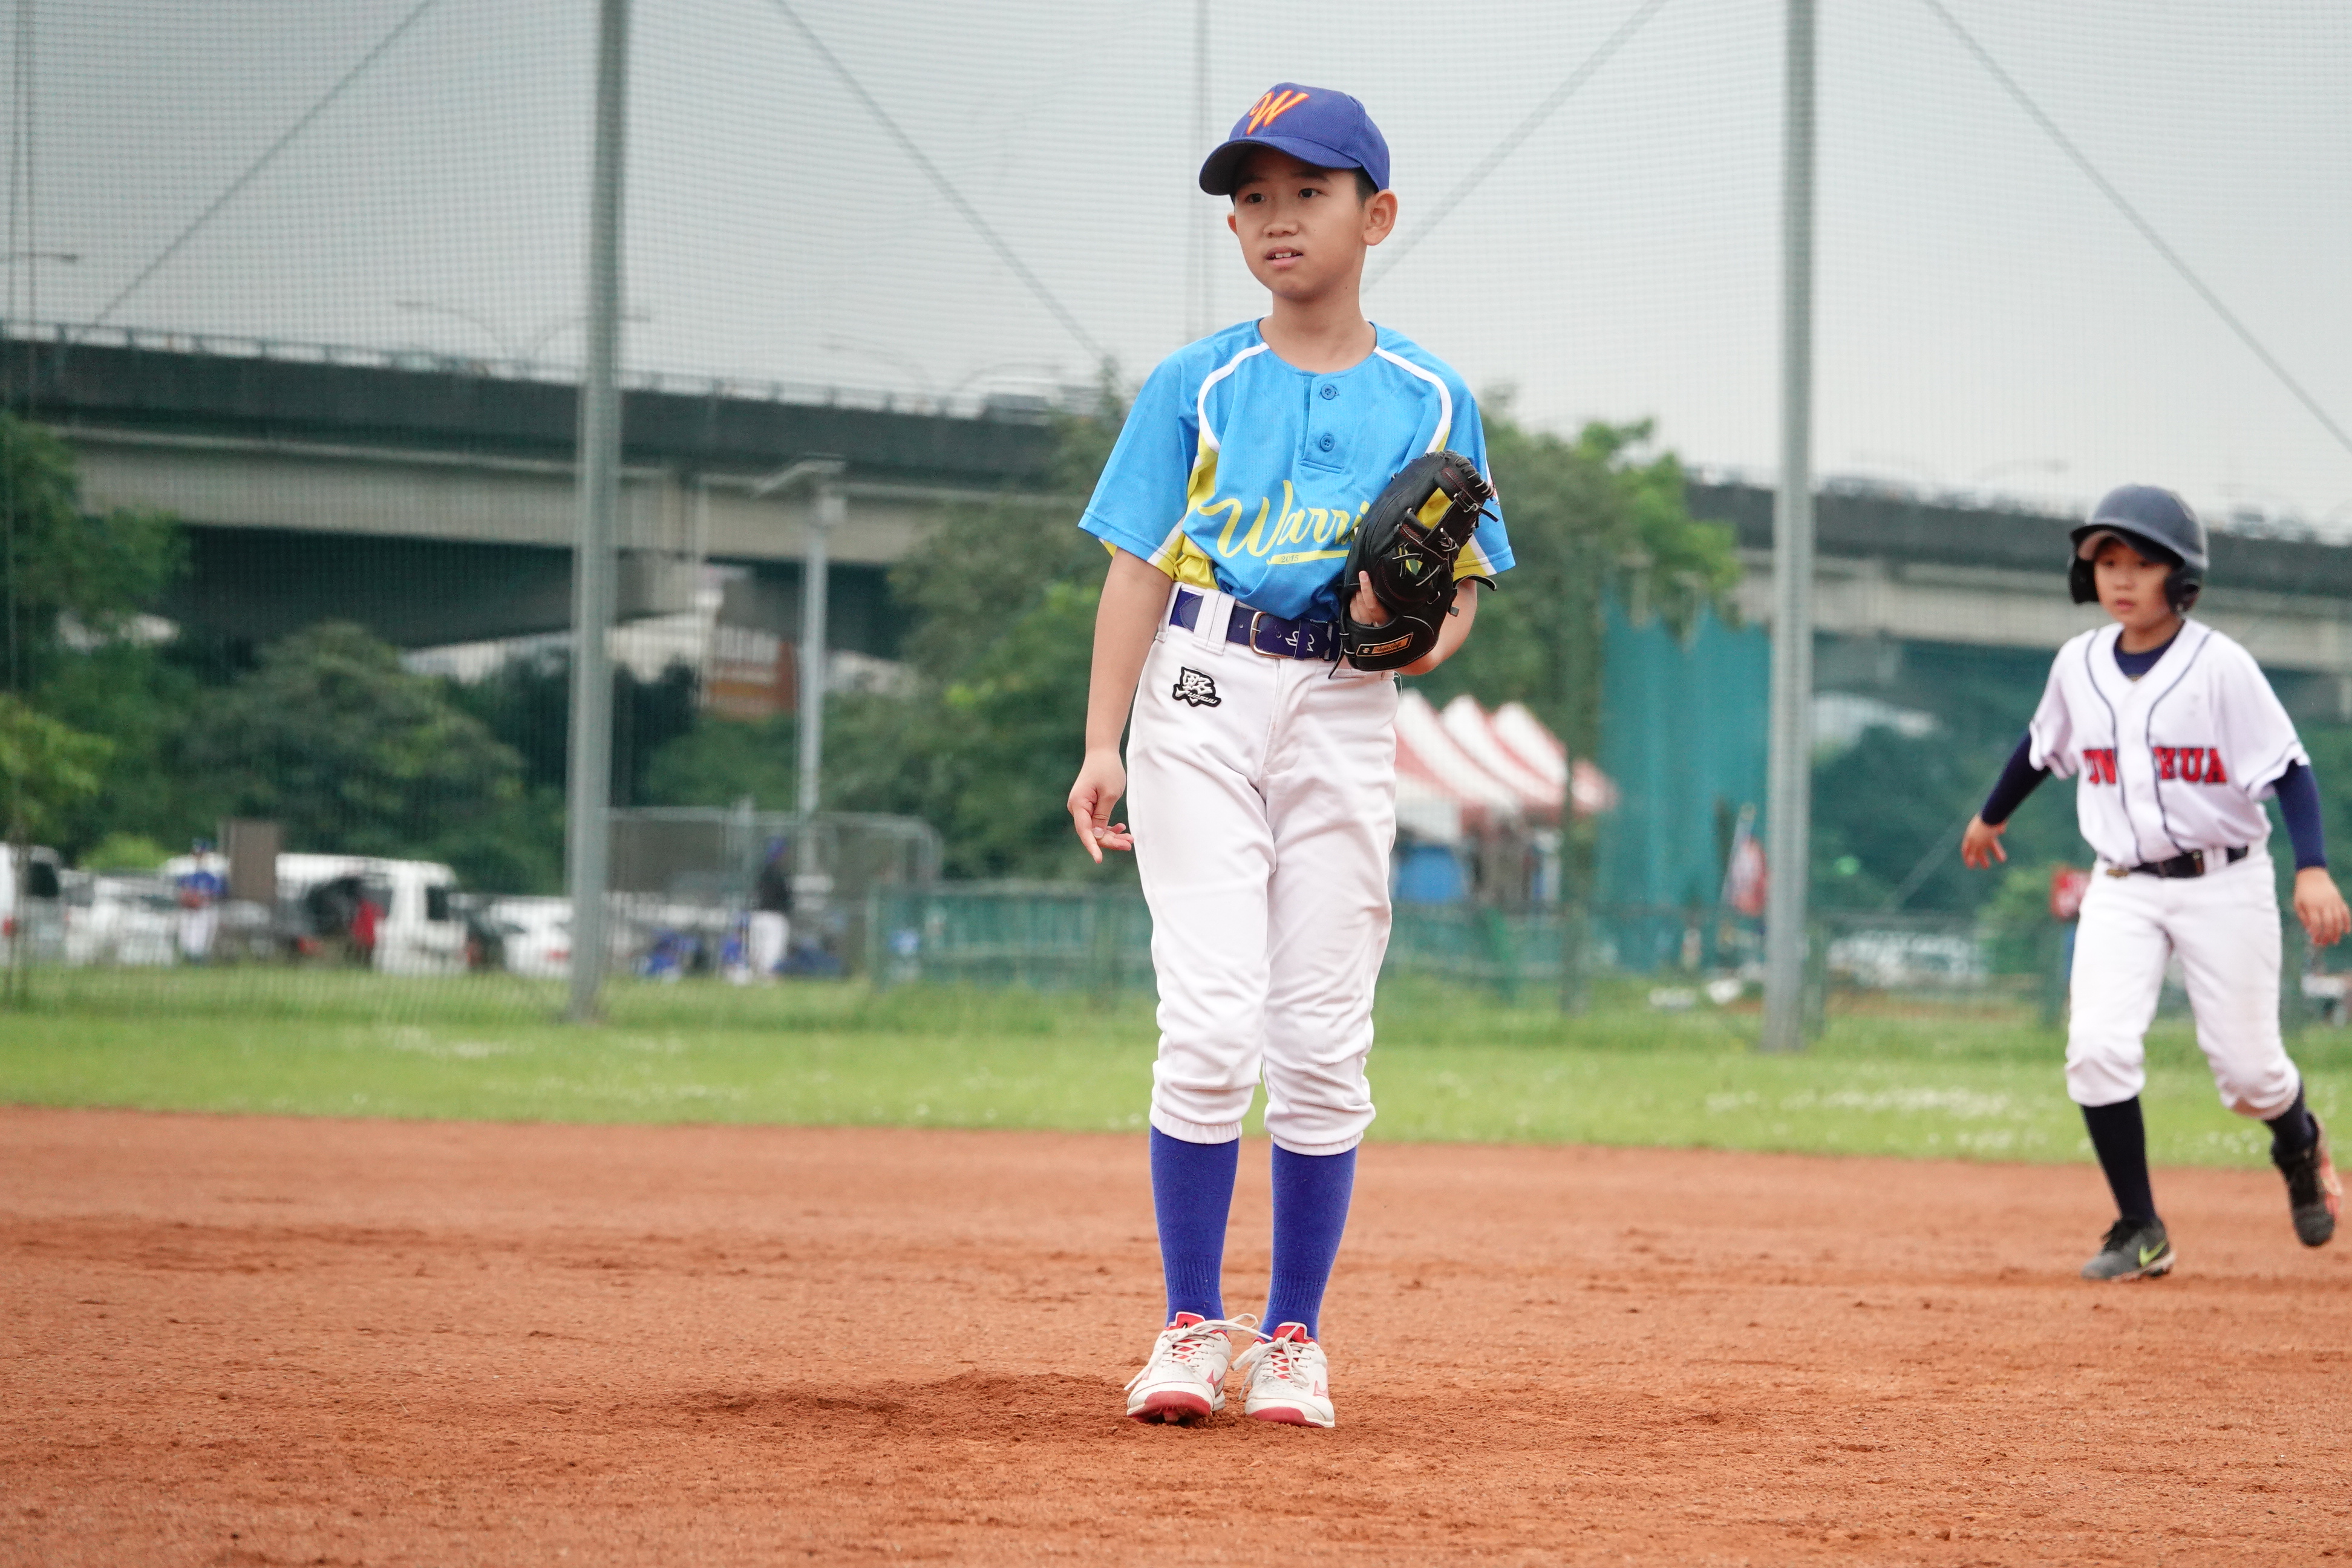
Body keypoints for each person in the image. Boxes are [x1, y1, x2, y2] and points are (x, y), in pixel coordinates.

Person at [1065, 84, 1512, 1426]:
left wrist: (1412, 634)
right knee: (1211, 1022)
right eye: (1253, 197)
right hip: (1201, 686)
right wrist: (1102, 740)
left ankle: (1294, 1339)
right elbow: (1137, 568)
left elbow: (1461, 594)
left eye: (1308, 192)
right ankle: (1188, 1326)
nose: (1276, 218)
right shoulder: (1195, 384)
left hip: (1345, 704)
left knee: (1320, 1037)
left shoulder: (1432, 395)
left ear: (1376, 215)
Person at [1961, 485, 2348, 1280]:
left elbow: (2289, 770)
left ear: (2181, 576)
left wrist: (2311, 867)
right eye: (2108, 561)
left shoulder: (2220, 667)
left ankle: (2298, 1143)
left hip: (2224, 882)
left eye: (2142, 562)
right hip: (2122, 885)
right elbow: (2040, 747)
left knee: (2249, 1076)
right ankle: (2141, 1227)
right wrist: (1990, 816)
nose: (2123, 577)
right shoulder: (2078, 665)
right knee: (2095, 1049)